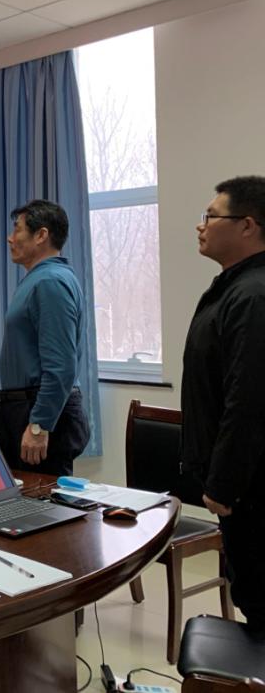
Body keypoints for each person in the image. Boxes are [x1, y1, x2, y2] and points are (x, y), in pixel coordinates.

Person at [181, 175, 265, 633]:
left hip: (251, 493)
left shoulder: (253, 295)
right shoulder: (236, 286)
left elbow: (248, 400)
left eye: (211, 216)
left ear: (247, 225)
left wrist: (223, 483)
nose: (201, 225)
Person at [0, 199, 90, 476]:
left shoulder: (50, 282)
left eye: (17, 229)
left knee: (42, 499)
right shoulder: (39, 279)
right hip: (26, 407)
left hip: (40, 413)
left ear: (41, 235)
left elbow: (61, 366)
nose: (10, 238)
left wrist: (40, 425)